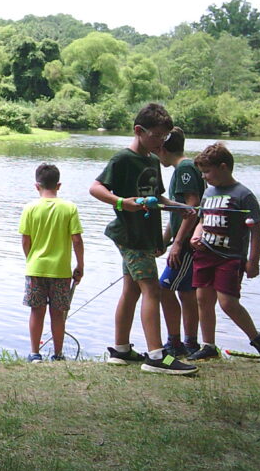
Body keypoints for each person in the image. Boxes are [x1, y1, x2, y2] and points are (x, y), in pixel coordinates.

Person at [89, 103, 197, 375]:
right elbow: (95, 187)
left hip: (146, 236)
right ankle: (157, 356)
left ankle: (121, 349)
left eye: (165, 137)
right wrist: (121, 202)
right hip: (130, 235)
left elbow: (156, 196)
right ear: (139, 130)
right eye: (157, 136)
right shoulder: (123, 159)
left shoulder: (151, 161)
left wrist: (179, 207)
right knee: (152, 289)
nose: (161, 142)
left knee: (132, 289)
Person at [187, 143, 260, 361]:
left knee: (228, 303)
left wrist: (253, 261)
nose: (204, 177)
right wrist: (195, 235)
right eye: (202, 172)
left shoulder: (243, 195)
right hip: (205, 254)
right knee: (203, 299)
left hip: (230, 258)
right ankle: (208, 345)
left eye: (207, 172)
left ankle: (257, 339)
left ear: (223, 167)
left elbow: (256, 230)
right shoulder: (208, 192)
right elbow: (202, 219)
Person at [19, 163, 84, 362]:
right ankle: (58, 354)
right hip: (61, 271)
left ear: (36, 186)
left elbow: (25, 240)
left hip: (36, 268)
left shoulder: (29, 208)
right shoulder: (69, 208)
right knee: (58, 314)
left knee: (36, 312)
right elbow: (77, 240)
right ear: (59, 185)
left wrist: (31, 259)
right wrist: (80, 265)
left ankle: (34, 353)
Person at [156, 128, 205, 358]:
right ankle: (190, 343)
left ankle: (175, 343)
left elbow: (191, 207)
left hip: (186, 245)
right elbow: (178, 213)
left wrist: (177, 244)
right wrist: (164, 241)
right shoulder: (184, 168)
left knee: (163, 289)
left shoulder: (184, 168)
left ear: (163, 149)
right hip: (182, 241)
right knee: (186, 292)